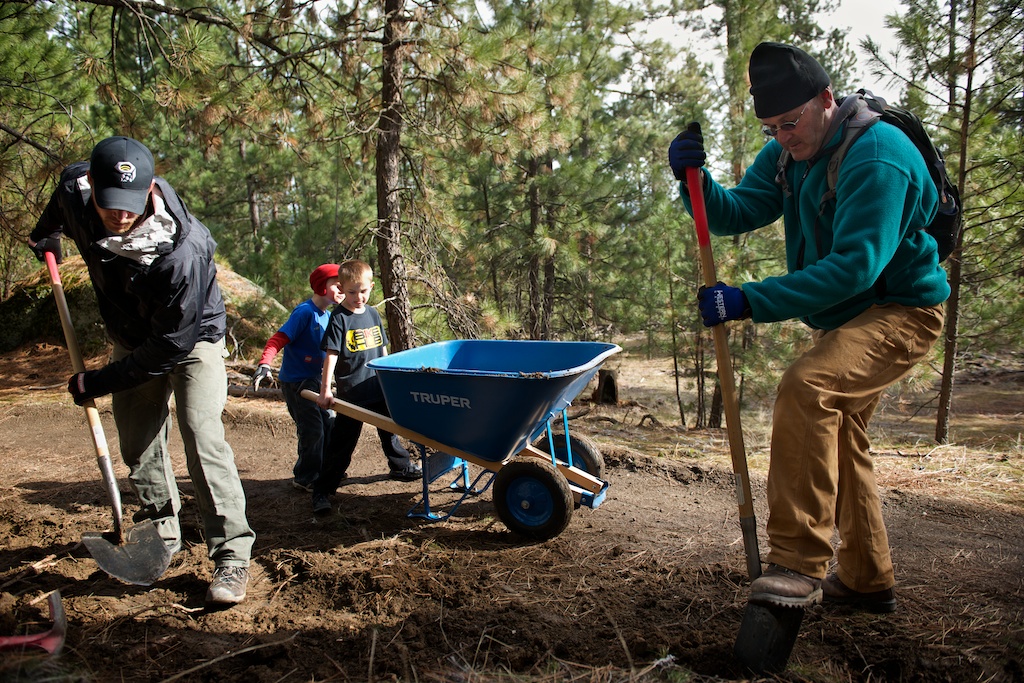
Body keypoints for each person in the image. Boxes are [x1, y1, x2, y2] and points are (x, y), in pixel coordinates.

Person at [668, 42, 949, 613]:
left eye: (789, 123)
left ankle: (797, 562)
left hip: (903, 311)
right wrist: (694, 180)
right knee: (839, 435)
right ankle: (870, 582)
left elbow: (855, 266)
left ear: (826, 100)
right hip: (850, 318)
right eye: (770, 128)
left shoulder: (877, 155)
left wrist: (749, 299)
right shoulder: (786, 154)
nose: (782, 138)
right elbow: (738, 211)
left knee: (809, 388)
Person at [28, 136, 256, 605]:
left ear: (151, 188)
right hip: (131, 336)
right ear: (92, 185)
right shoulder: (76, 188)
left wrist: (98, 381)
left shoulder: (183, 250)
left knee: (201, 434)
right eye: (111, 204)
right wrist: (45, 234)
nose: (121, 215)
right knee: (136, 440)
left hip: (189, 339)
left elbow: (168, 347)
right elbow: (58, 211)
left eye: (131, 205)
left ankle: (231, 554)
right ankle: (160, 531)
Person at [313, 259, 422, 515]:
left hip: (377, 386)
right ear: (342, 288)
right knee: (343, 444)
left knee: (390, 430)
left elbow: (382, 351)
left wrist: (388, 377)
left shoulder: (373, 314)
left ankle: (400, 466)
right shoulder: (340, 318)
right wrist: (325, 390)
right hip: (352, 394)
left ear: (371, 287)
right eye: (351, 292)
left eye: (363, 291)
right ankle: (322, 490)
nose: (358, 297)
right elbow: (331, 355)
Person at [252, 264, 343, 492]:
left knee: (329, 424)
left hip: (316, 382)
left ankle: (324, 469)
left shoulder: (329, 316)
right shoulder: (304, 312)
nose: (344, 289)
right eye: (338, 285)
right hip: (297, 384)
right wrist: (265, 363)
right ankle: (306, 476)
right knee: (312, 429)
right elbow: (278, 339)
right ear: (323, 286)